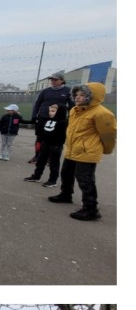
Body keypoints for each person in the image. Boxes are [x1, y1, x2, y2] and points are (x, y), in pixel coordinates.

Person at [47, 82, 116, 222]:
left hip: (88, 152)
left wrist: (107, 150)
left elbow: (109, 134)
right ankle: (66, 195)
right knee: (66, 173)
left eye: (82, 94)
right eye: (76, 94)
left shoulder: (102, 113)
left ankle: (91, 209)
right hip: (73, 149)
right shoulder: (75, 110)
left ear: (92, 96)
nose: (78, 98)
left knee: (85, 179)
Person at [25, 103, 67, 187]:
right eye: (50, 111)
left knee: (54, 164)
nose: (50, 113)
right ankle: (36, 176)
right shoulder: (47, 120)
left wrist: (58, 144)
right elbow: (42, 132)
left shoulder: (63, 123)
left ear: (59, 112)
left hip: (55, 146)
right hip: (45, 145)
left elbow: (64, 136)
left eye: (53, 111)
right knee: (40, 161)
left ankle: (52, 180)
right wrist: (39, 142)